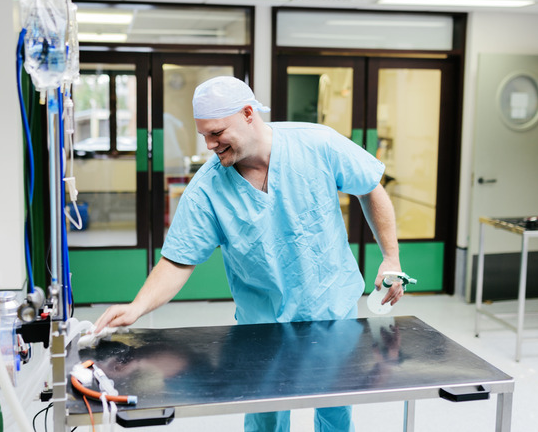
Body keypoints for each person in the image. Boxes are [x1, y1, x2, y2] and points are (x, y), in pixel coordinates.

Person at [94, 76, 404, 432]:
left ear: (247, 113)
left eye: (217, 133)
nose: (210, 145)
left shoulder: (317, 143)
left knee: (334, 405)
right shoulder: (208, 189)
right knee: (265, 412)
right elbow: (178, 259)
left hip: (331, 309)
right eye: (204, 136)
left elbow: (369, 186)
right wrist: (137, 307)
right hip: (263, 323)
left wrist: (390, 257)